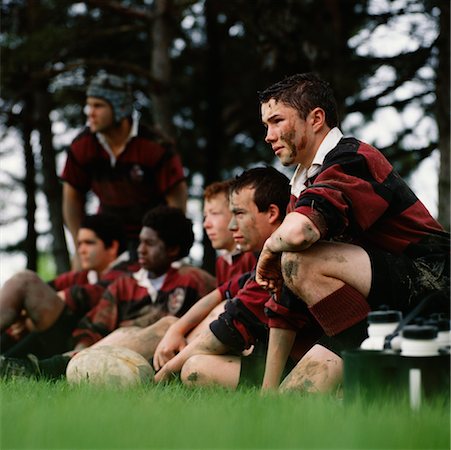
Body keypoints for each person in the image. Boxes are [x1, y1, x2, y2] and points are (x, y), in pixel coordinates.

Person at [254, 72, 450, 392]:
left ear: (316, 118)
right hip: (385, 298)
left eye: (277, 121)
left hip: (436, 280)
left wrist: (268, 250)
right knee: (290, 401)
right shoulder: (302, 186)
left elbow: (299, 234)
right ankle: (362, 361)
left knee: (297, 260)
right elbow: (284, 303)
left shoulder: (353, 157)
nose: (268, 135)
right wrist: (267, 391)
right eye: (266, 125)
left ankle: (368, 371)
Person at [153, 167, 322, 388]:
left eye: (239, 214)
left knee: (195, 368)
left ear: (272, 213)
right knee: (181, 328)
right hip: (281, 358)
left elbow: (226, 328)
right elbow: (222, 292)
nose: (233, 226)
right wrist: (175, 330)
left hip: (298, 368)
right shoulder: (265, 260)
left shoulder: (280, 263)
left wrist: (160, 378)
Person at [0, 206, 216, 379]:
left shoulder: (195, 279)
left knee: (165, 325)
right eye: (139, 242)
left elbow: (213, 319)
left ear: (172, 250)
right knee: (123, 333)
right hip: (112, 354)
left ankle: (41, 369)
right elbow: (95, 326)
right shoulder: (126, 283)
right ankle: (51, 367)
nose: (140, 250)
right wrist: (76, 355)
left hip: (161, 358)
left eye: (149, 244)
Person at [61, 72, 188, 265]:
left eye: (98, 106)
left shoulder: (155, 147)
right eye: (89, 104)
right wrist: (80, 247)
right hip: (108, 238)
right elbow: (72, 198)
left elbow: (177, 201)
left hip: (151, 235)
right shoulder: (82, 147)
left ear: (120, 107)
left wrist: (170, 250)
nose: (89, 112)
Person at [0, 213, 128, 357]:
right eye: (79, 244)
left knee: (24, 280)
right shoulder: (84, 275)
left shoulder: (130, 272)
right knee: (23, 287)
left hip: (90, 344)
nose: (81, 250)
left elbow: (97, 293)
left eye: (89, 243)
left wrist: (63, 296)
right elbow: (46, 287)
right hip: (63, 338)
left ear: (112, 247)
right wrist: (23, 314)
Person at [203, 180, 256, 285]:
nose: (206, 224)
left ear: (235, 213)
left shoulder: (252, 255)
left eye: (214, 213)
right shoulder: (221, 263)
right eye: (205, 216)